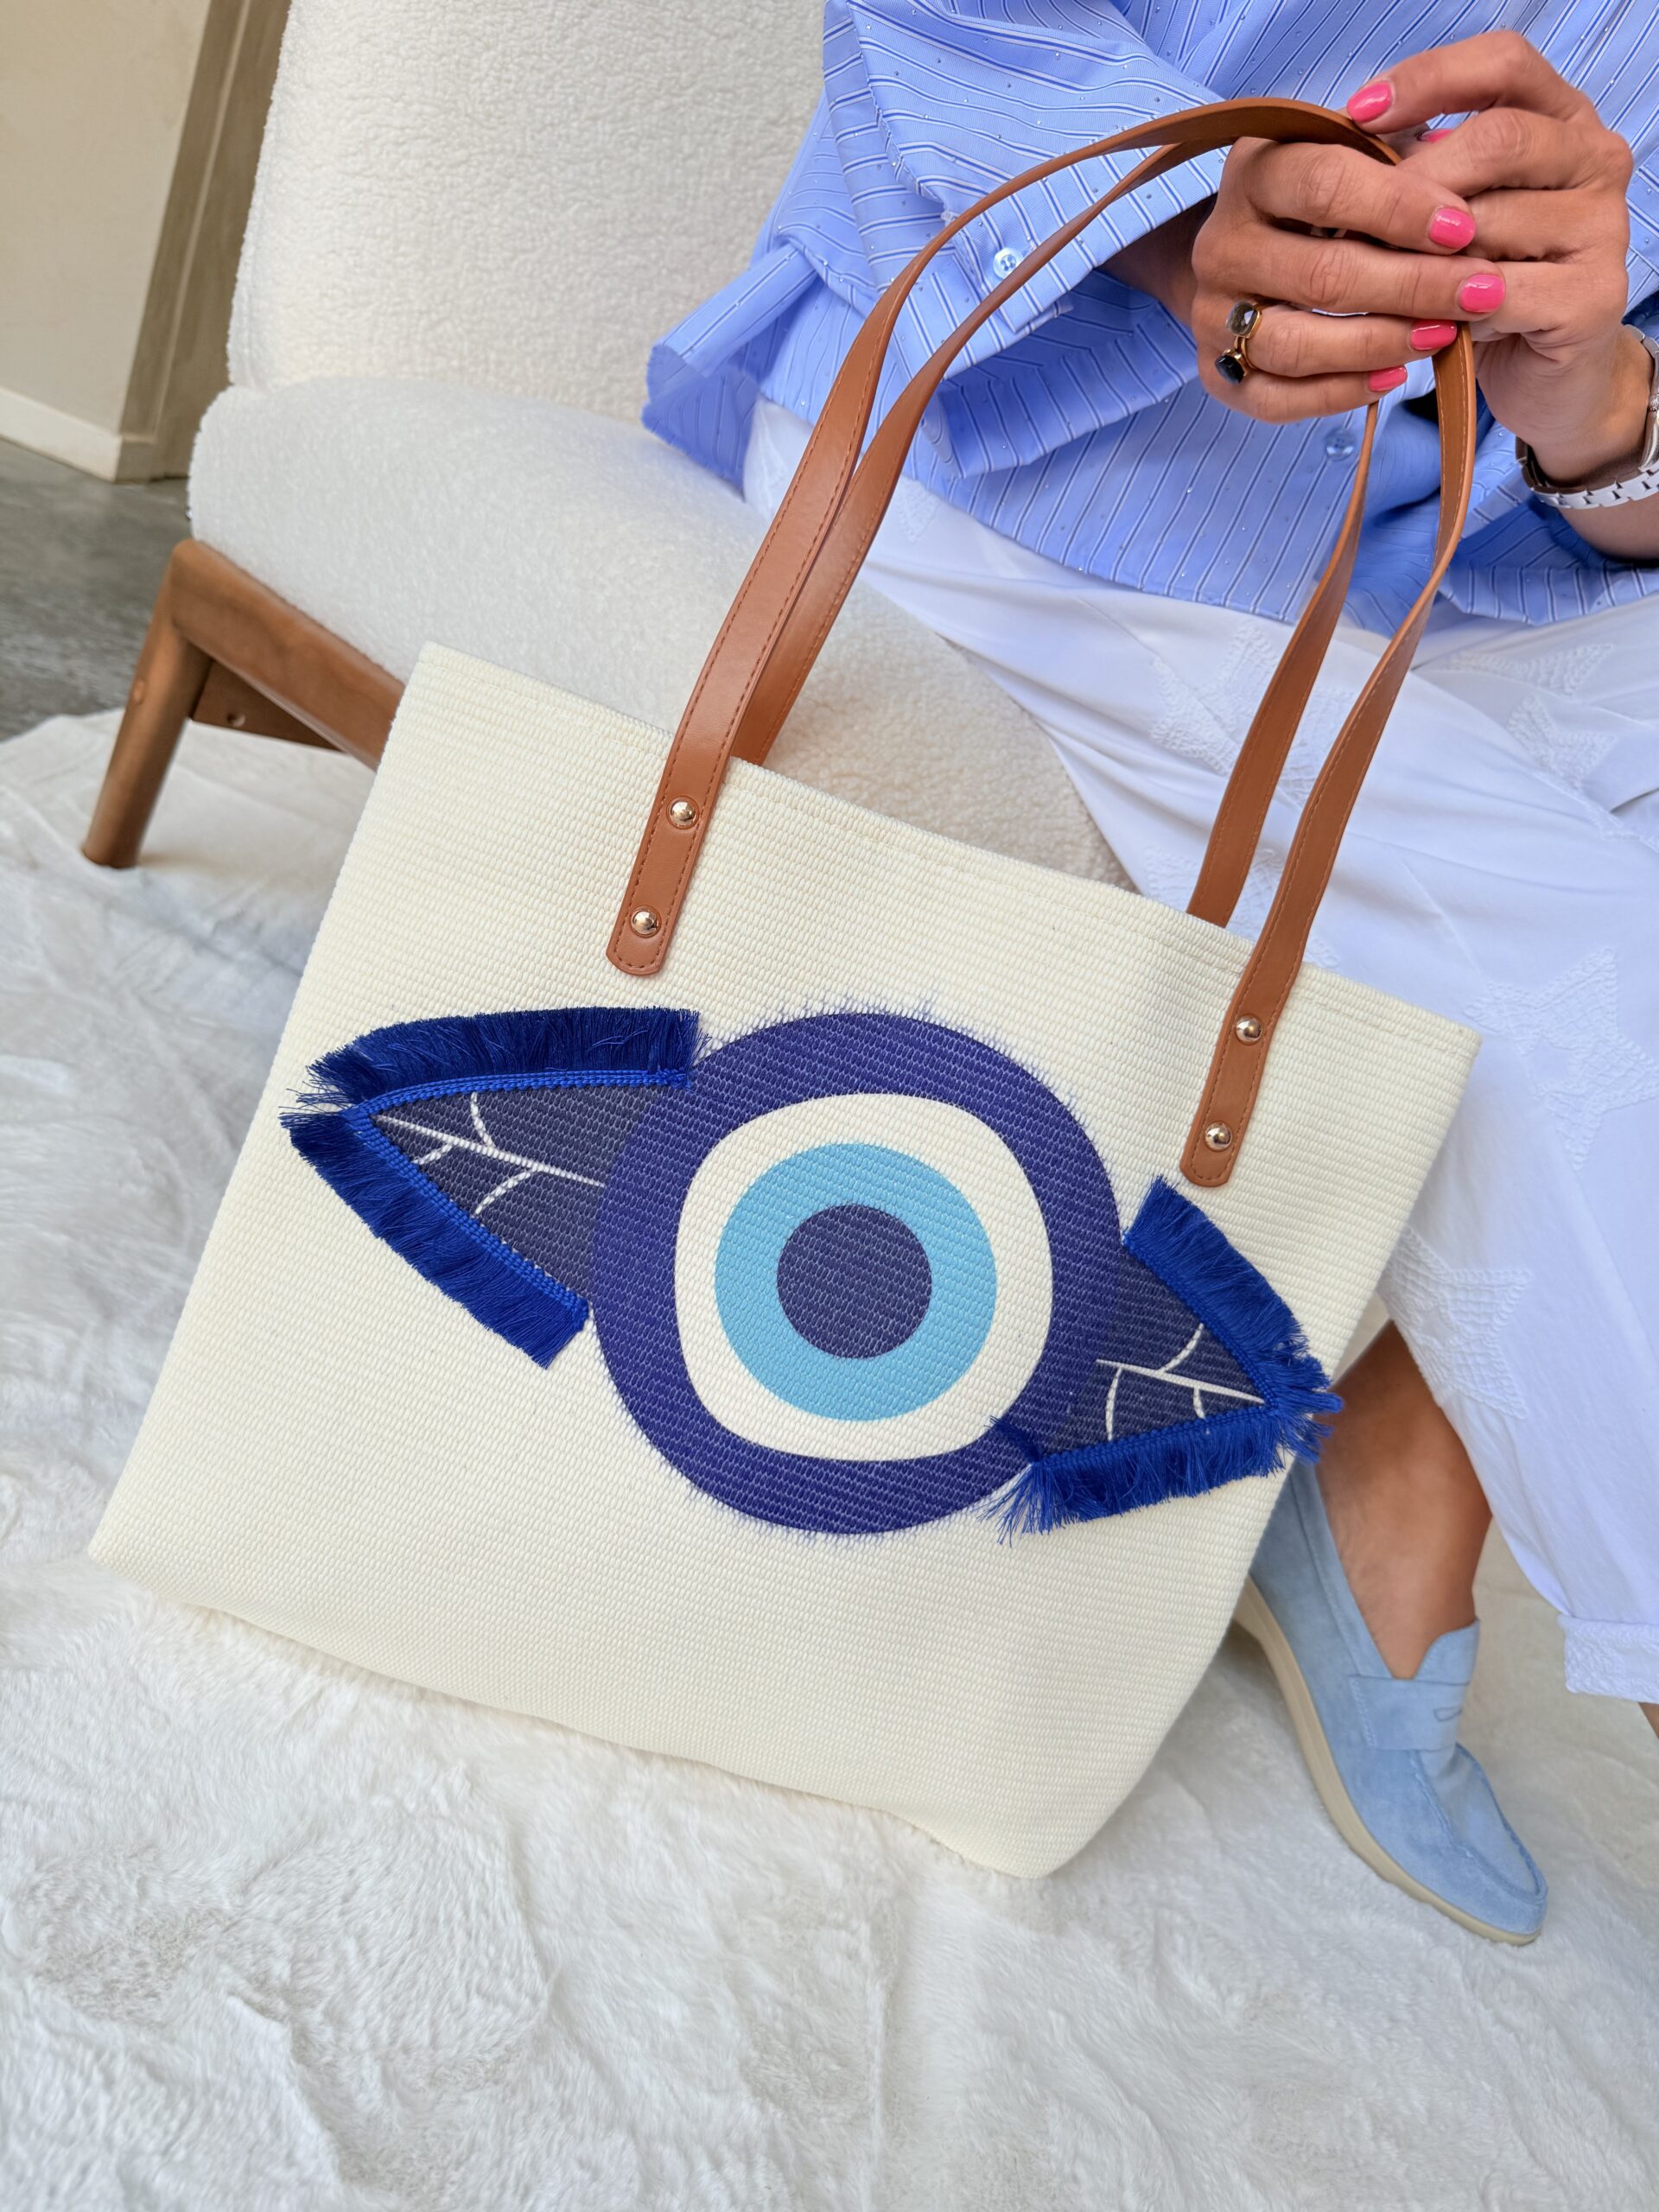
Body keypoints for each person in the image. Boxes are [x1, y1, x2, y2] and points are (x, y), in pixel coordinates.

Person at [645, 8, 1659, 1942]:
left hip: (1480, 558)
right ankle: (1390, 1494)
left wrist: (1598, 390)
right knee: (1601, 979)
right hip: (1042, 476)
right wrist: (1190, 217)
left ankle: (1393, 1471)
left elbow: (1626, 476)